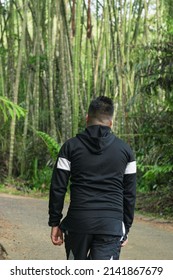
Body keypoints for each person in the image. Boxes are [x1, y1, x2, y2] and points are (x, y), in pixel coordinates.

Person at [48, 96, 136, 260]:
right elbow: (130, 193)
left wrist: (55, 221)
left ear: (87, 118)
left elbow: (58, 187)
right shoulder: (126, 151)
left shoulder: (70, 147)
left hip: (78, 222)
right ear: (111, 122)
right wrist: (125, 227)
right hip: (111, 224)